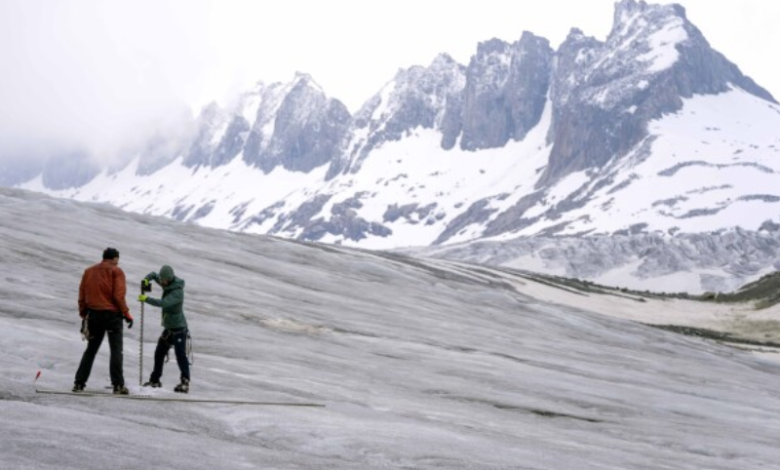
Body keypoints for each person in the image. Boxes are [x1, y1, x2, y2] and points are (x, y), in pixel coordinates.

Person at [74, 247, 133, 394]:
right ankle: (118, 385)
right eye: (117, 259)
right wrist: (126, 314)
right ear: (114, 258)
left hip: (94, 315)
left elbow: (82, 295)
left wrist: (84, 314)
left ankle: (79, 383)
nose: (118, 262)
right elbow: (118, 296)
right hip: (112, 317)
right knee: (116, 351)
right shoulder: (116, 271)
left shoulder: (89, 271)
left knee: (91, 350)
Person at [138, 265, 190, 393]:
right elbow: (154, 274)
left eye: (164, 281)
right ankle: (155, 380)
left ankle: (185, 382)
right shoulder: (166, 282)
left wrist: (146, 299)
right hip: (169, 329)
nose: (162, 282)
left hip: (179, 329)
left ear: (170, 279)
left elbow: (163, 303)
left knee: (180, 355)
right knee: (159, 352)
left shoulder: (177, 292)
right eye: (162, 280)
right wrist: (146, 280)